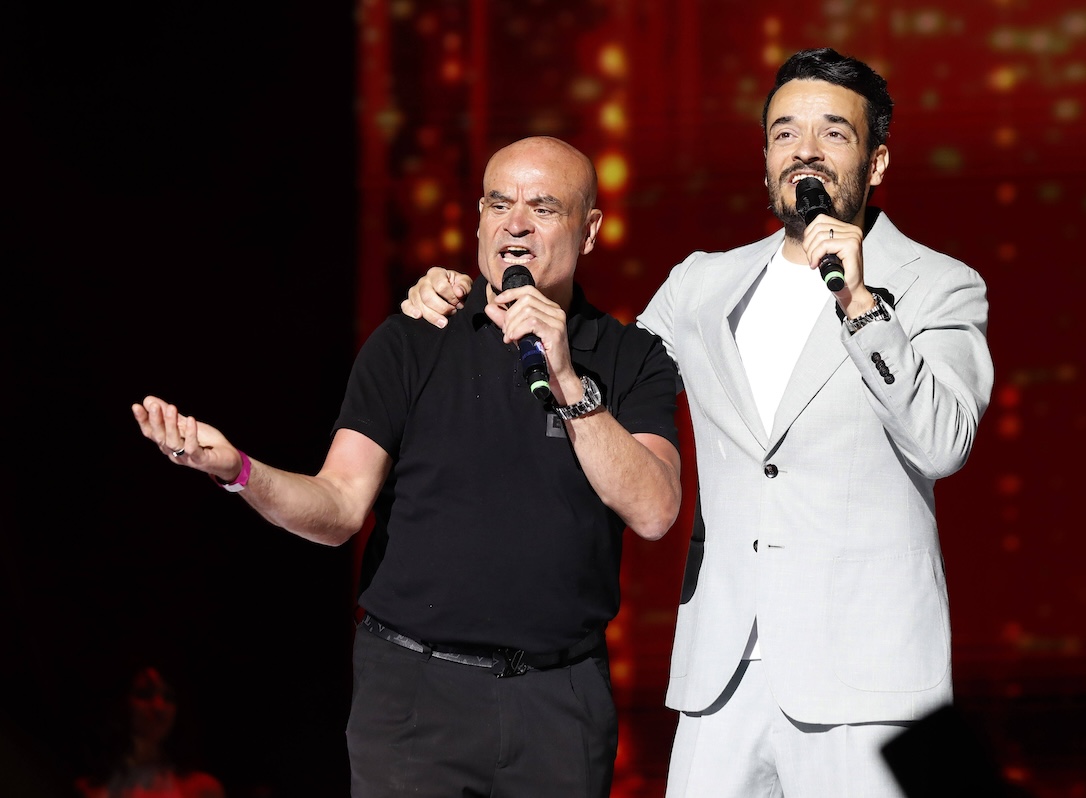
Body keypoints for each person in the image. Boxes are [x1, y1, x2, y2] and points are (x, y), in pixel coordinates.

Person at [400, 48, 994, 797]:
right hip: (722, 671)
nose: (804, 149)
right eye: (784, 133)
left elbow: (943, 442)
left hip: (864, 678)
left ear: (875, 163)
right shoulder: (701, 284)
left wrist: (861, 307)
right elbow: (597, 377)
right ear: (767, 156)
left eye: (832, 134)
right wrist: (470, 289)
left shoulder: (937, 283)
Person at [131, 136, 683, 797]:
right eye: (499, 203)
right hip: (416, 698)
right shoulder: (414, 337)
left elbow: (654, 511)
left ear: (589, 230)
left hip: (558, 706)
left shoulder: (631, 357)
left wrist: (566, 378)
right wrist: (239, 470)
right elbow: (337, 509)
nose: (515, 224)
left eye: (543, 206)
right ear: (478, 218)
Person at [74, 666, 225, 798]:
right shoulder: (88, 788)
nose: (159, 706)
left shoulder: (201, 788)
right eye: (145, 694)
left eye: (168, 697)